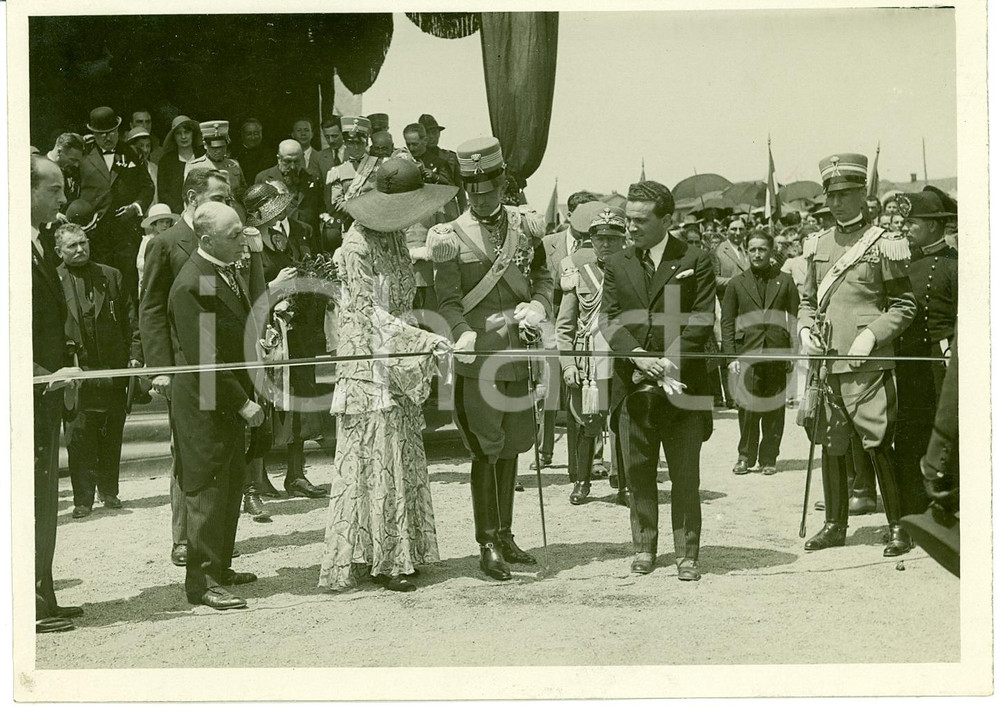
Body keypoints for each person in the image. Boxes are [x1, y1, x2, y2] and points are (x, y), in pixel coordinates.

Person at [317, 158, 455, 593]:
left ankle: (402, 550)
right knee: (373, 458)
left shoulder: (394, 238)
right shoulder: (355, 247)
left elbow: (398, 303)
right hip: (367, 364)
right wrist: (424, 340)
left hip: (396, 359)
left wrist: (415, 339)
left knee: (399, 451)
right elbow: (368, 315)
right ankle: (381, 559)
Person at [428, 136, 553, 581]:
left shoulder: (524, 226)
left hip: (518, 356)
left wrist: (539, 304)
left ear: (503, 183)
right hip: (478, 359)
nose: (481, 197)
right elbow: (446, 300)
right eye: (473, 190)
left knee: (514, 443)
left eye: (489, 188)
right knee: (486, 449)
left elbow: (542, 276)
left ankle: (506, 533)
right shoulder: (448, 236)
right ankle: (486, 543)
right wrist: (459, 333)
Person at [798, 153, 917, 557]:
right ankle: (834, 524)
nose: (836, 203)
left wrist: (871, 334)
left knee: (878, 441)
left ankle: (899, 526)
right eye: (832, 196)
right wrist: (802, 328)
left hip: (868, 363)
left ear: (863, 195)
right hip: (828, 361)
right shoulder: (817, 244)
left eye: (846, 195)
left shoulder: (886, 243)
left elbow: (904, 305)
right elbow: (807, 301)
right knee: (832, 443)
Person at [601, 180, 716, 581]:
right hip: (633, 382)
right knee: (639, 468)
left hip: (685, 384)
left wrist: (668, 361)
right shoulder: (617, 263)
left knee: (685, 472)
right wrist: (638, 357)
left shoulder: (696, 259)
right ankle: (644, 547)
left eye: (640, 220)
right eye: (627, 219)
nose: (631, 227)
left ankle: (687, 553)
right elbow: (609, 319)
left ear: (667, 220)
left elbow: (702, 317)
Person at [167, 201, 262, 610]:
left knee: (230, 480)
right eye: (234, 235)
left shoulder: (221, 270)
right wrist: (241, 402)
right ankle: (201, 582)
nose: (243, 240)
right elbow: (206, 355)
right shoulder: (196, 281)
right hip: (207, 399)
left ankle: (219, 567)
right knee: (206, 486)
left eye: (241, 231)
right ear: (206, 240)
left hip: (222, 393)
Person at [139, 169, 234, 567]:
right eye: (218, 196)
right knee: (188, 452)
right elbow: (151, 307)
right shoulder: (166, 242)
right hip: (183, 366)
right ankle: (183, 538)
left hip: (215, 364)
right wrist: (159, 367)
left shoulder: (225, 237)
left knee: (215, 450)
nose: (226, 204)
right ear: (193, 197)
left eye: (228, 197)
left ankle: (211, 540)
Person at [243, 181, 329, 500]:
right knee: (265, 401)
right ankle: (257, 476)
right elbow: (243, 293)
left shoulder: (284, 238)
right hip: (265, 334)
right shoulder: (247, 245)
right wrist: (274, 286)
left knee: (299, 400)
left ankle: (295, 474)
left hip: (295, 332)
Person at [31, 155, 84, 633]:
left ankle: (42, 592)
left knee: (44, 496)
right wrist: (42, 372)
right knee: (27, 497)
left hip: (45, 392)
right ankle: (28, 602)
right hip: (26, 395)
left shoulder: (38, 244)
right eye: (53, 190)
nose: (63, 199)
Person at [55, 223, 140, 518]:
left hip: (113, 368)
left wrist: (134, 357)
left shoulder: (111, 276)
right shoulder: (54, 280)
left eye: (83, 243)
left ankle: (109, 490)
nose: (80, 249)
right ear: (59, 251)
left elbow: (131, 320)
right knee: (78, 433)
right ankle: (82, 498)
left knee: (112, 429)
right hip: (76, 372)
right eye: (72, 246)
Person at [891, 190, 958, 517]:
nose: (906, 227)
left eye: (913, 222)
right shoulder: (904, 263)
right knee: (909, 434)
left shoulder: (955, 264)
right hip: (910, 362)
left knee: (945, 435)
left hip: (944, 363)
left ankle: (945, 507)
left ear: (934, 226)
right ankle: (911, 513)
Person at [556, 206, 628, 505]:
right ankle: (583, 483)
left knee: (623, 423)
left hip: (623, 360)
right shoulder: (578, 272)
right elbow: (564, 326)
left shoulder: (634, 271)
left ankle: (624, 486)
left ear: (623, 239)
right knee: (588, 422)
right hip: (589, 361)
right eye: (600, 238)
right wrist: (568, 363)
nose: (606, 244)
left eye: (613, 238)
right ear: (592, 240)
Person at [721, 231, 798, 476]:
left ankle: (769, 458)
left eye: (762, 249)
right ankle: (745, 456)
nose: (757, 254)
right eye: (752, 249)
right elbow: (727, 322)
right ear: (747, 251)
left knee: (775, 408)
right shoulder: (736, 283)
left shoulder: (785, 281)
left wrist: (793, 353)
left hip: (777, 351)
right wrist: (731, 356)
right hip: (747, 352)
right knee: (747, 407)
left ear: (770, 251)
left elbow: (794, 320)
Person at [536, 191, 601, 470]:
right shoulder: (548, 244)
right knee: (550, 391)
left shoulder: (603, 244)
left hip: (587, 328)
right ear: (570, 214)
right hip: (553, 325)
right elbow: (538, 283)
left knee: (591, 389)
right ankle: (544, 450)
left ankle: (592, 458)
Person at [78, 106, 155, 300]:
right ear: (93, 134)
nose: (107, 138)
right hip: (96, 233)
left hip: (126, 230)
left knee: (129, 280)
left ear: (119, 130)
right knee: (100, 282)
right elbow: (74, 191)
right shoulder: (83, 156)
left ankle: (132, 329)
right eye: (102, 134)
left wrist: (136, 207)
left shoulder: (131, 152)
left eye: (112, 132)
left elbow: (147, 187)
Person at [254, 138, 323, 235]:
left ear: (303, 157)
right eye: (287, 161)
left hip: (308, 236)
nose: (293, 167)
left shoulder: (313, 177)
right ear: (278, 159)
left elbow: (320, 207)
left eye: (297, 161)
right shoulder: (263, 179)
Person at [156, 115, 204, 215]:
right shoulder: (166, 161)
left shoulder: (203, 155)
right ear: (174, 137)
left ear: (192, 133)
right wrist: (180, 210)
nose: (183, 137)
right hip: (177, 214)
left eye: (186, 132)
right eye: (178, 133)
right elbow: (163, 192)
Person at [185, 120, 246, 197]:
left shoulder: (234, 164)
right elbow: (188, 197)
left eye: (222, 147)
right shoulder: (194, 167)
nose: (218, 151)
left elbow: (243, 189)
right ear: (205, 145)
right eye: (214, 148)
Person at [419, 113, 465, 212]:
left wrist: (464, 213)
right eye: (427, 133)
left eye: (434, 132)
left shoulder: (450, 157)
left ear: (439, 134)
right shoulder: (415, 160)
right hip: (424, 211)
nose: (432, 137)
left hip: (449, 210)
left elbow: (459, 188)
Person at [46, 132, 85, 205]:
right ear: (59, 151)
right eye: (73, 160)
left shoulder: (73, 171)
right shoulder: (38, 169)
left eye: (78, 161)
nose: (76, 165)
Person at [714, 217, 749, 298]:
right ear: (726, 230)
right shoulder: (718, 251)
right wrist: (738, 282)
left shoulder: (750, 250)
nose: (738, 233)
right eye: (734, 229)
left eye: (741, 229)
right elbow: (714, 280)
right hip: (730, 300)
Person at [231, 117, 271, 185]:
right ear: (242, 135)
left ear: (261, 134)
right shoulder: (234, 154)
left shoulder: (269, 154)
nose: (253, 137)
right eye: (249, 134)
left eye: (256, 133)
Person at [125, 126, 158, 204]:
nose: (145, 150)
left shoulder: (154, 168)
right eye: (141, 146)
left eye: (148, 146)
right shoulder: (124, 168)